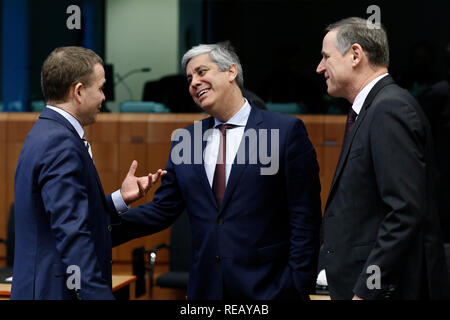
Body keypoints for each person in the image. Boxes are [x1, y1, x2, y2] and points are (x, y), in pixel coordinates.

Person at [113, 43, 322, 299]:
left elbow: (305, 216)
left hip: (269, 288)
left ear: (231, 72)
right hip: (206, 289)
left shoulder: (283, 132)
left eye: (202, 72)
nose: (194, 83)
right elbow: (162, 210)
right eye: (190, 78)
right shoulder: (186, 140)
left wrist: (298, 284)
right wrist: (104, 221)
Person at [12, 46, 165, 300]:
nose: (104, 97)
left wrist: (119, 199)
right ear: (79, 92)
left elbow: (64, 214)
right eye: (101, 88)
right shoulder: (59, 142)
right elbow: (72, 232)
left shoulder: (46, 132)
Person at [316, 17, 450, 300]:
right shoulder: (372, 109)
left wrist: (368, 290)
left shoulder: (389, 109)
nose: (319, 68)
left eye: (326, 57)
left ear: (355, 55)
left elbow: (404, 212)